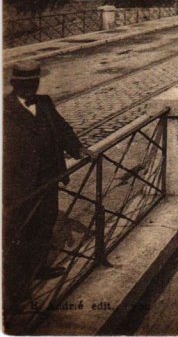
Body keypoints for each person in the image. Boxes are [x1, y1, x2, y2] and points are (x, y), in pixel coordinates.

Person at [3, 61, 95, 309]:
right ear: (16, 85)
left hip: (48, 180)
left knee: (45, 224)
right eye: (26, 85)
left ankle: (40, 267)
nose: (32, 88)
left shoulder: (44, 102)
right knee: (18, 235)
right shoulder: (4, 109)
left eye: (34, 83)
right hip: (19, 188)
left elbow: (62, 129)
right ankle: (17, 288)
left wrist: (78, 148)